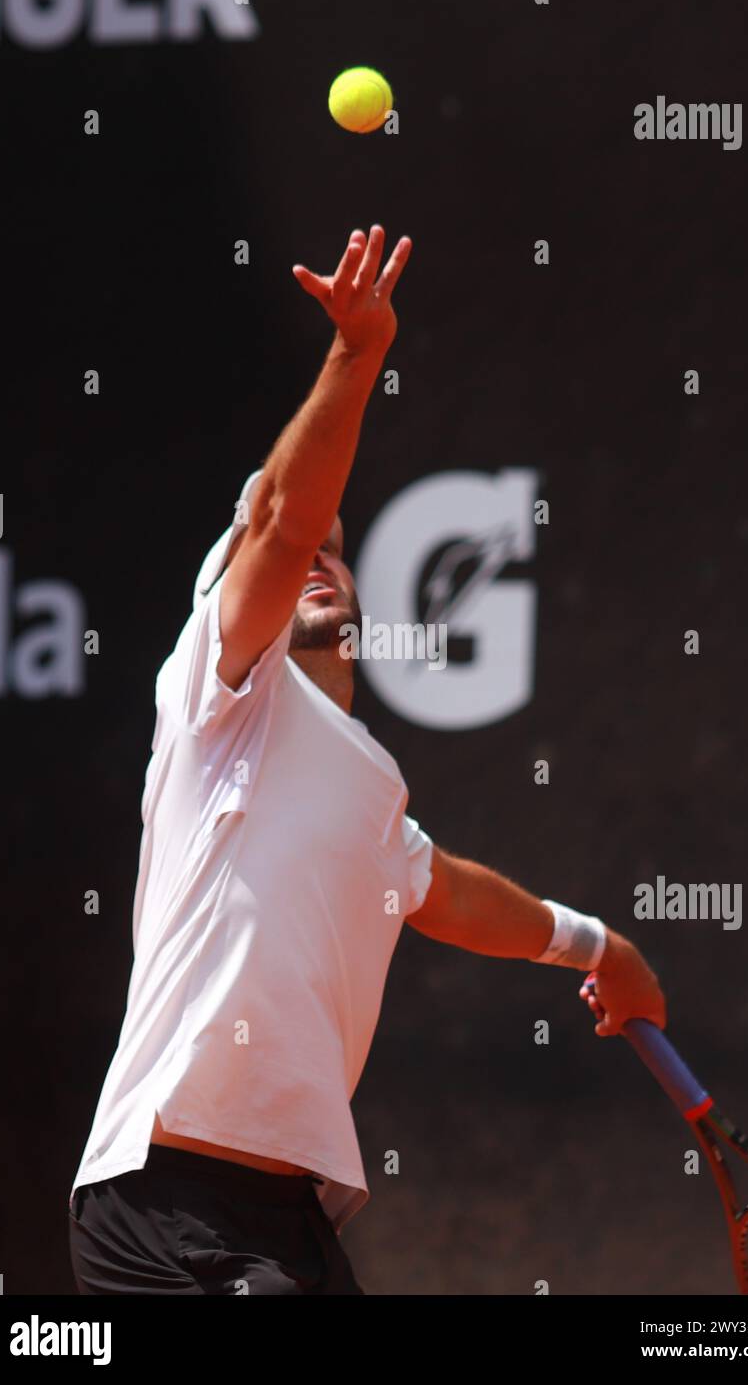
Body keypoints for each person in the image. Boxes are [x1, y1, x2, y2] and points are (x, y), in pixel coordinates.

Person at [69, 224, 665, 1296]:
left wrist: (594, 944)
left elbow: (448, 893)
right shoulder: (216, 688)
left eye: (334, 555)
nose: (316, 561)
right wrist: (354, 353)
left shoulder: (369, 786)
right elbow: (287, 519)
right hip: (160, 1202)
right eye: (293, 551)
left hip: (289, 1217)